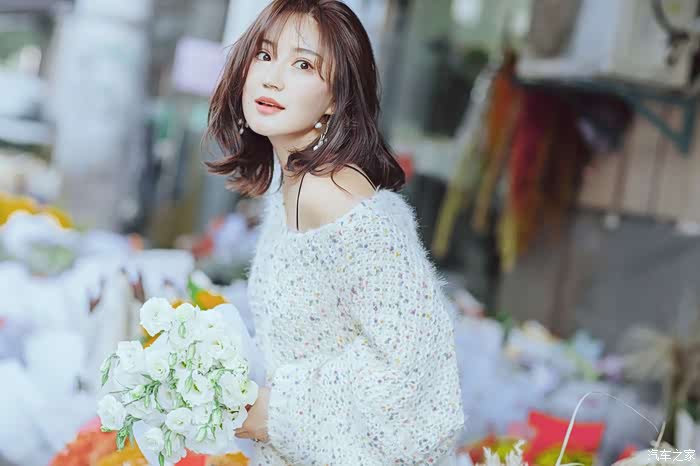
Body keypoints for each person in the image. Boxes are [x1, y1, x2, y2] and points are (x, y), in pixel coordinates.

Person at [206, 1, 465, 464]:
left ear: (335, 99)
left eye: (304, 64)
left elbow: (417, 367)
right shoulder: (297, 184)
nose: (273, 78)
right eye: (265, 55)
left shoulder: (333, 198)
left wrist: (278, 413)